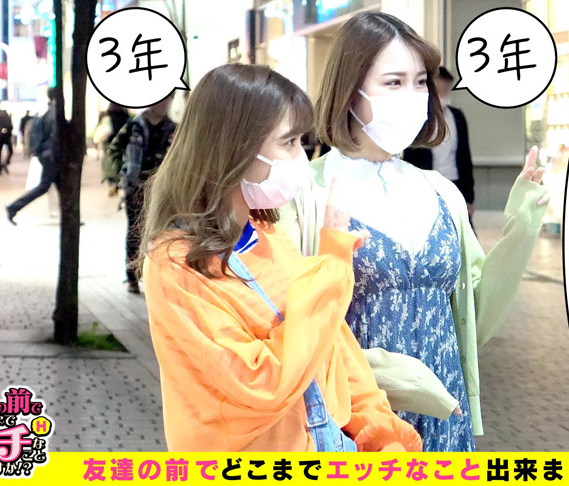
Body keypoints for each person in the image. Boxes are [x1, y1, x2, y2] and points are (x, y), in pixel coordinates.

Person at [278, 11, 549, 452]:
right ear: (350, 91)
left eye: (421, 82)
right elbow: (285, 326)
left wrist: (521, 226)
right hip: (353, 420)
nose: (414, 96)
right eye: (394, 82)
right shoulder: (304, 193)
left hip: (444, 414)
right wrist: (388, 375)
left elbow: (475, 318)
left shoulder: (441, 192)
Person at [139, 64, 421, 452]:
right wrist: (332, 267)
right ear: (235, 149)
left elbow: (332, 350)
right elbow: (263, 383)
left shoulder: (267, 234)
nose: (300, 156)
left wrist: (382, 434)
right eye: (288, 142)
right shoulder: (176, 265)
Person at [108, 94, 176, 294]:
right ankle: (132, 277)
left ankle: (156, 277)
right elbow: (114, 149)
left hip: (161, 190)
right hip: (136, 188)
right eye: (160, 98)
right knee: (135, 233)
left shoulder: (173, 129)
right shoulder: (133, 125)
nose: (163, 103)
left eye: (168, 98)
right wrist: (121, 172)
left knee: (161, 233)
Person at [403, 66, 475, 228]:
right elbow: (410, 157)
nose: (443, 95)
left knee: (462, 229)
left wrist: (469, 197)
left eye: (446, 90)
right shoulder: (418, 117)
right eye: (439, 90)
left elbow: (465, 157)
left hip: (454, 182)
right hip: (427, 185)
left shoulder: (457, 116)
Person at [6, 89, 59, 224]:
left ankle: (14, 207)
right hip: (51, 156)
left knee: (55, 186)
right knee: (45, 186)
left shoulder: (48, 112)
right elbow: (55, 138)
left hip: (46, 155)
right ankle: (13, 207)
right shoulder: (55, 114)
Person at [99, 103, 131, 197]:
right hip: (122, 145)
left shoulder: (107, 117)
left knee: (109, 166)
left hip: (109, 144)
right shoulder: (126, 117)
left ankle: (112, 186)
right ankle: (117, 184)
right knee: (119, 163)